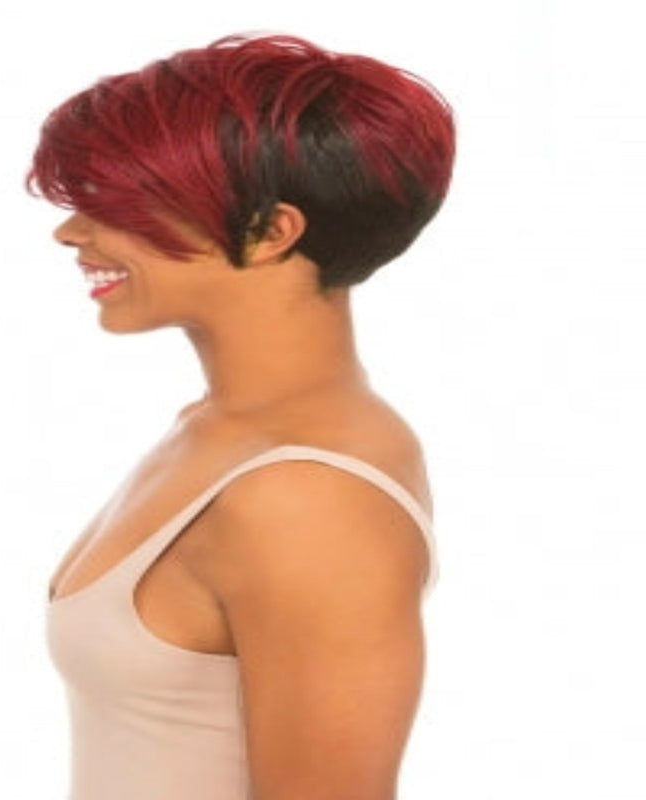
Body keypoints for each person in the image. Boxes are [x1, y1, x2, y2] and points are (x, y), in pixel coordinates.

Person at [26, 32, 455, 800]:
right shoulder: (217, 429)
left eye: (118, 204)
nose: (70, 230)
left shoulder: (308, 495)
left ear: (269, 232)